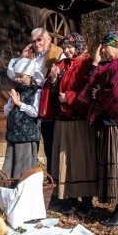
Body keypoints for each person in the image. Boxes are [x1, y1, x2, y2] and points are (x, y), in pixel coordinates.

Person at [76, 30, 118, 227]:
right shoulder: (111, 65)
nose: (103, 50)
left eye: (105, 46)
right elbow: (92, 86)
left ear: (116, 45)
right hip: (110, 124)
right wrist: (96, 63)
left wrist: (100, 94)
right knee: (113, 166)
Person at [48, 33, 97, 214]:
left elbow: (90, 89)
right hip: (62, 120)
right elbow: (52, 93)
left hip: (79, 121)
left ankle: (86, 200)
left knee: (80, 160)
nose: (67, 51)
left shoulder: (88, 64)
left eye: (70, 47)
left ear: (79, 45)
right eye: (65, 48)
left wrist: (69, 97)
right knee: (65, 160)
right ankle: (69, 197)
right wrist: (53, 80)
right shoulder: (63, 65)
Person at [8, 28, 62, 173]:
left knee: (50, 146)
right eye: (34, 40)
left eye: (40, 40)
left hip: (47, 104)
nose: (36, 43)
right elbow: (13, 74)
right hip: (29, 105)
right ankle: (28, 180)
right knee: (32, 147)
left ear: (49, 40)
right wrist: (22, 58)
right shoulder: (29, 55)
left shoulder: (58, 55)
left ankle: (52, 182)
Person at [2, 58, 43, 179]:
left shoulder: (37, 91)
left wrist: (20, 104)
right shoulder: (17, 89)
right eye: (16, 76)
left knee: (24, 164)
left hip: (27, 134)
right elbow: (5, 112)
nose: (18, 79)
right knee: (12, 162)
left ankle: (24, 188)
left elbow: (35, 112)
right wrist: (12, 104)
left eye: (21, 76)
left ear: (29, 75)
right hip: (14, 133)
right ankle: (11, 187)